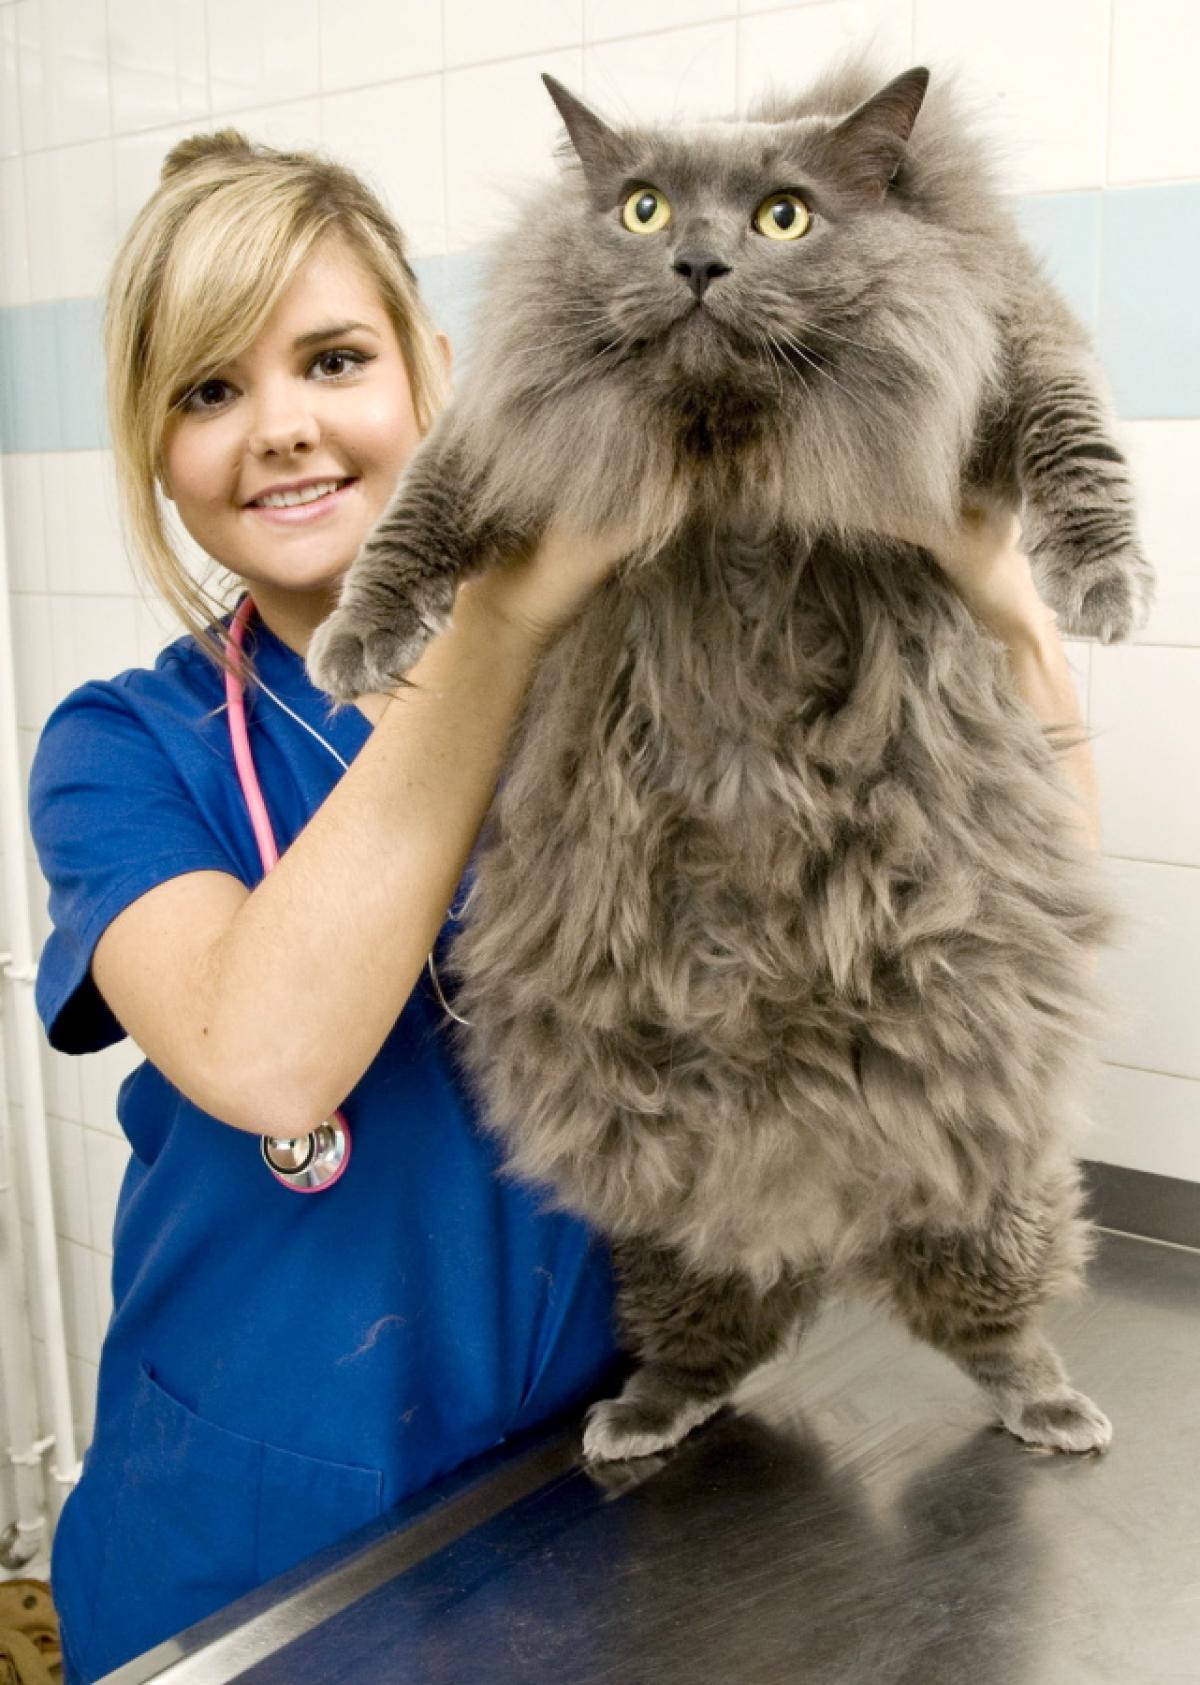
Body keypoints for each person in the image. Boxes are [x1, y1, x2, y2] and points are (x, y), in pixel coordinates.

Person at [26, 130, 1099, 1685]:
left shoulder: (641, 671)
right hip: (246, 1550)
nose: (280, 428)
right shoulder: (122, 748)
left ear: (435, 371)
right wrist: (504, 612)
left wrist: (1005, 603)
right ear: (154, 448)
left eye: (333, 359)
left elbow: (1002, 924)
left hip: (578, 1515)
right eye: (207, 390)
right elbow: (268, 1059)